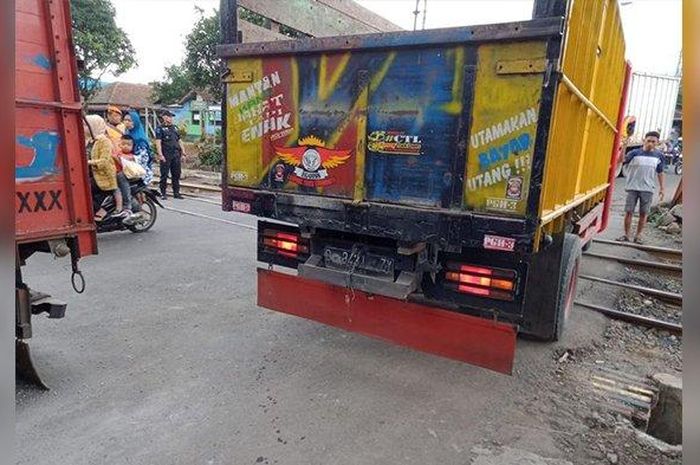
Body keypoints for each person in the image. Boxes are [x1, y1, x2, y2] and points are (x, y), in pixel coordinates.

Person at [618, 131, 665, 244]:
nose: (650, 143)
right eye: (648, 140)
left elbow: (660, 172)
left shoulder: (659, 156)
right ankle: (626, 235)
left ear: (657, 143)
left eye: (653, 142)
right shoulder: (635, 153)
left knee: (643, 214)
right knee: (629, 212)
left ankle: (638, 236)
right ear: (644, 140)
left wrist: (662, 188)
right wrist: (624, 146)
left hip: (647, 189)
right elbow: (621, 161)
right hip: (632, 188)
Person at [84, 114, 126, 221]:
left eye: (85, 125)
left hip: (103, 175)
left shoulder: (104, 141)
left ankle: (102, 210)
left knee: (84, 190)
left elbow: (104, 161)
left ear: (94, 126)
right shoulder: (88, 140)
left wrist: (87, 162)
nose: (83, 127)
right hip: (91, 173)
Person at [155, 110, 187, 199]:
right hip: (166, 154)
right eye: (168, 116)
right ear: (164, 117)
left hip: (175, 153)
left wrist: (183, 153)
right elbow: (158, 142)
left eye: (171, 117)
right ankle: (163, 193)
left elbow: (179, 140)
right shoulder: (160, 128)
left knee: (176, 174)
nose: (170, 118)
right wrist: (160, 154)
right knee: (164, 174)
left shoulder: (175, 128)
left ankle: (176, 193)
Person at [123, 110, 154, 185]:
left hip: (139, 171)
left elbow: (144, 157)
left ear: (135, 122)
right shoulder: (127, 133)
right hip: (130, 169)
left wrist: (131, 158)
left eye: (129, 120)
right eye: (125, 120)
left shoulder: (139, 138)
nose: (126, 122)